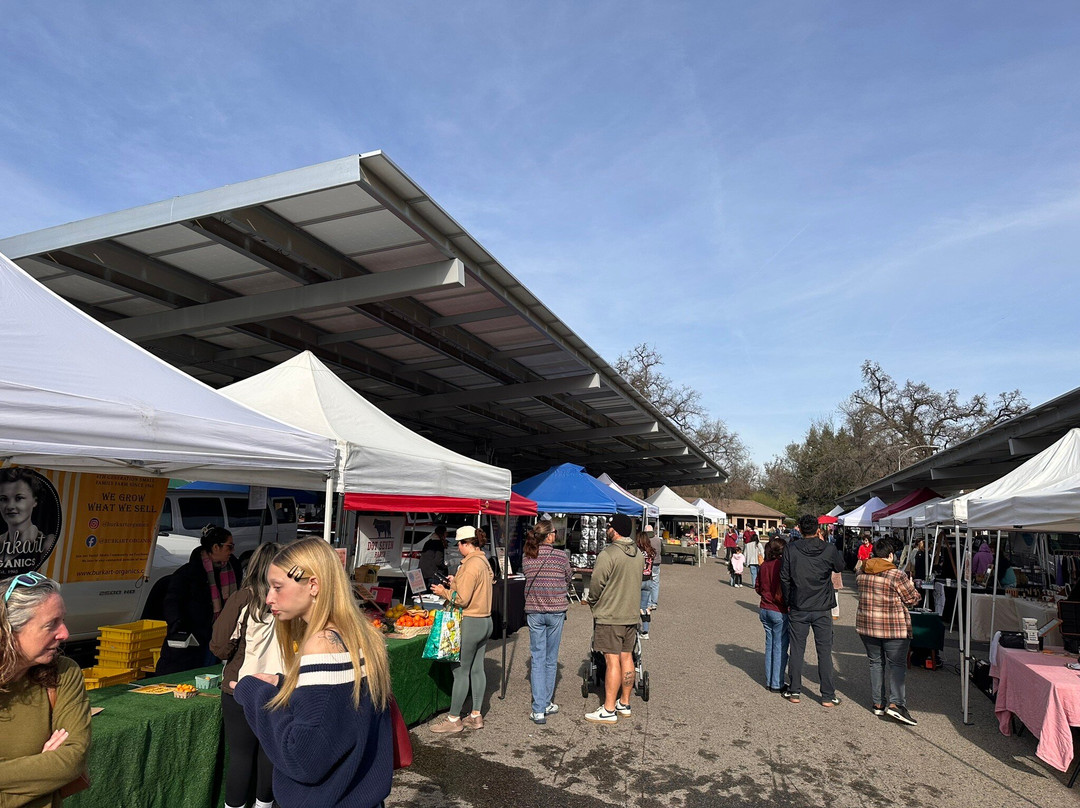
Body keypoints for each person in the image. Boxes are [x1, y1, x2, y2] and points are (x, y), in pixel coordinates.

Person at [231, 538, 392, 808]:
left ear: (313, 585)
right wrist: (287, 684)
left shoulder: (321, 644)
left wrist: (255, 693)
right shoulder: (360, 636)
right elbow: (339, 708)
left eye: (278, 587)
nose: (269, 597)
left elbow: (302, 758)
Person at [0, 572, 91, 808]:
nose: (64, 634)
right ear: (10, 630)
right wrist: (43, 768)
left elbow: (72, 761)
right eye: (52, 624)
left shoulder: (63, 674)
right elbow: (58, 768)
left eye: (63, 620)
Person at [211, 543, 283, 808]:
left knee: (241, 755)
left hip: (241, 687)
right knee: (269, 752)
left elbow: (219, 644)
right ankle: (264, 805)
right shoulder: (293, 599)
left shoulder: (244, 597)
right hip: (280, 685)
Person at [429, 526, 494, 733]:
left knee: (460, 671)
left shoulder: (470, 565)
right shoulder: (484, 561)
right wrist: (455, 582)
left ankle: (454, 719)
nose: (457, 548)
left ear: (466, 543)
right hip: (485, 620)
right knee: (477, 669)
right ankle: (476, 715)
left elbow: (463, 599)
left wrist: (444, 592)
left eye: (459, 544)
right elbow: (479, 587)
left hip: (470, 621)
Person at [156, 524, 242, 675]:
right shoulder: (188, 573)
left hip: (220, 634)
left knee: (211, 673)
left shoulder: (233, 568)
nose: (232, 551)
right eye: (229, 547)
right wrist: (179, 627)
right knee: (188, 674)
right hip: (193, 635)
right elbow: (172, 603)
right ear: (216, 547)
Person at [780, 514, 845, 707]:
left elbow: (784, 577)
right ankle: (827, 694)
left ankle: (794, 691)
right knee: (824, 651)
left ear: (799, 528)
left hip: (799, 604)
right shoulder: (829, 549)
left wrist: (788, 600)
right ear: (818, 529)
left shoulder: (791, 549)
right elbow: (840, 566)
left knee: (797, 649)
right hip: (822, 605)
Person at [584, 513, 644, 724]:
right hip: (630, 614)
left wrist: (592, 601)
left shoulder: (608, 554)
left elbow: (596, 583)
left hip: (611, 614)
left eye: (609, 526)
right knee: (627, 657)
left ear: (616, 529)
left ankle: (609, 708)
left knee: (612, 660)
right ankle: (624, 703)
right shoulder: (638, 554)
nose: (607, 529)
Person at [856, 538, 922, 726]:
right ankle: (896, 705)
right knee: (896, 665)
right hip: (893, 627)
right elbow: (912, 599)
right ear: (891, 555)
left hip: (867, 625)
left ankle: (878, 703)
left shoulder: (862, 571)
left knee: (875, 663)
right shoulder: (896, 575)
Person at [521, 520, 573, 725]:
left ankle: (539, 708)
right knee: (551, 659)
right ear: (549, 536)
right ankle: (545, 703)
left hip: (534, 610)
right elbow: (568, 578)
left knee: (537, 658)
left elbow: (527, 576)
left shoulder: (527, 558)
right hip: (556, 610)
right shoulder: (561, 556)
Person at [755, 538, 789, 692]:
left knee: (770, 645)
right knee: (779, 647)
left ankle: (770, 680)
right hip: (779, 609)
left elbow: (758, 587)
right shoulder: (783, 566)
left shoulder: (764, 566)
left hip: (764, 607)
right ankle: (777, 682)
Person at [0, 468, 55, 548]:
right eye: (3, 499)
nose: (10, 506)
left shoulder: (46, 543)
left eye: (19, 498)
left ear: (35, 501)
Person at [637, 531, 656, 640]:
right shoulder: (651, 552)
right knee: (644, 606)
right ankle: (645, 631)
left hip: (639, 580)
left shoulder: (638, 552)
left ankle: (632, 628)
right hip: (649, 580)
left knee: (635, 606)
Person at [644, 524, 662, 610]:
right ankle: (654, 602)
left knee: (647, 582)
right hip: (656, 563)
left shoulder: (644, 540)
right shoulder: (658, 540)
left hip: (647, 563)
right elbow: (663, 550)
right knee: (655, 583)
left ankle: (647, 602)